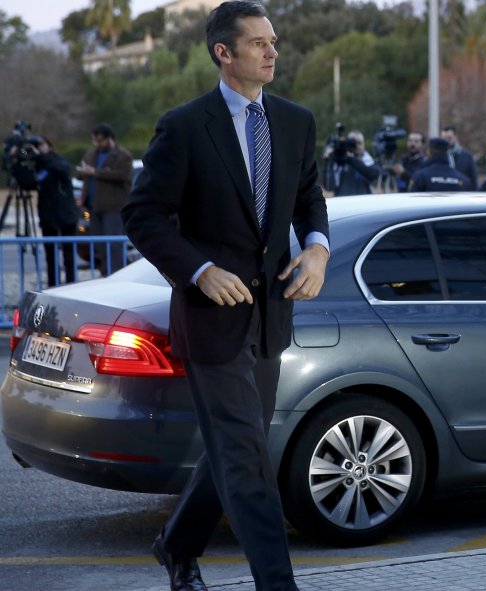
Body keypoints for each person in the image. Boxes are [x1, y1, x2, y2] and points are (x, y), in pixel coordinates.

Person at [121, 2, 330, 590]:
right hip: (210, 323)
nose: (272, 52)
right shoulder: (186, 126)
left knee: (232, 447)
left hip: (269, 320)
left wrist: (316, 247)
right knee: (245, 459)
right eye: (259, 43)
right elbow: (144, 214)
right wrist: (199, 269)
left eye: (274, 41)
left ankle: (176, 546)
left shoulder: (295, 121)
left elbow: (309, 197)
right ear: (224, 52)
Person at [75, 123, 132, 275]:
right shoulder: (91, 155)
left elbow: (123, 176)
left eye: (100, 140)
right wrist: (82, 172)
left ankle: (118, 274)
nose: (97, 144)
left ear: (110, 139)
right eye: (95, 141)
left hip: (113, 206)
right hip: (93, 207)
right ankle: (105, 274)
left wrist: (96, 172)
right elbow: (83, 174)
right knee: (100, 245)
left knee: (113, 245)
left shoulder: (122, 156)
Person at [34, 137, 80, 286]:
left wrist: (42, 156)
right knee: (50, 256)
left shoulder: (58, 160)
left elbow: (63, 171)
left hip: (65, 213)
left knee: (68, 254)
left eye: (40, 145)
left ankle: (71, 284)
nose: (38, 149)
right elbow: (28, 182)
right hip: (47, 214)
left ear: (49, 146)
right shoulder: (36, 164)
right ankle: (53, 285)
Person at [325, 130, 381, 196]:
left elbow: (373, 175)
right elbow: (329, 187)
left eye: (359, 143)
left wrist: (349, 159)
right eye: (352, 142)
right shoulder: (338, 161)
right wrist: (328, 161)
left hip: (364, 203)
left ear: (364, 145)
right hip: (342, 203)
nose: (356, 146)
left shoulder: (369, 160)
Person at [440, 125, 478, 190]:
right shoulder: (438, 157)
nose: (446, 141)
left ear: (456, 137)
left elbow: (473, 179)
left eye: (449, 138)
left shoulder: (467, 156)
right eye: (444, 139)